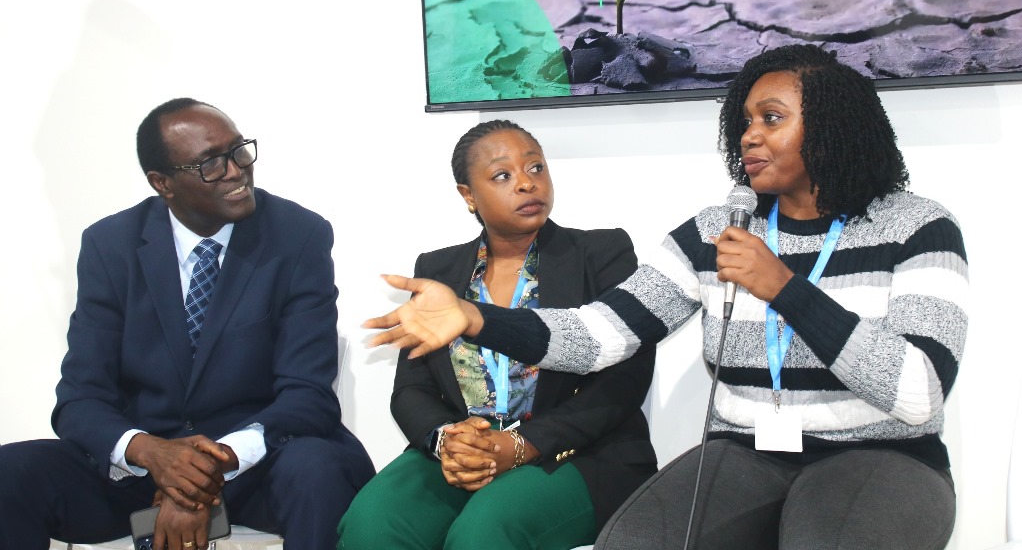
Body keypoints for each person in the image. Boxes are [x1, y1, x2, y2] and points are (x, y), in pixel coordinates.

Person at [367, 45, 969, 550]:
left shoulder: (917, 228)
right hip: (747, 454)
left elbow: (917, 392)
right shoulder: (716, 230)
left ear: (833, 125)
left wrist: (784, 289)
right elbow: (599, 334)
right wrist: (477, 317)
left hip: (883, 455)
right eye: (745, 122)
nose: (749, 136)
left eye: (771, 119)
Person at [0, 98, 375, 550]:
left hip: (257, 464)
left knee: (319, 469)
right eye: (210, 164)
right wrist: (152, 454)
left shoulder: (298, 235)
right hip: (140, 473)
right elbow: (80, 399)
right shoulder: (110, 245)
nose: (236, 170)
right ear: (163, 183)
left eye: (239, 151)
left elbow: (307, 394)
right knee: (11, 474)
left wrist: (208, 468)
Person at [337, 119, 657, 550]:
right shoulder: (439, 271)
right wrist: (446, 440)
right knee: (371, 525)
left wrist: (521, 445)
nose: (526, 184)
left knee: (483, 533)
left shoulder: (601, 253)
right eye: (503, 175)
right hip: (464, 450)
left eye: (536, 168)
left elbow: (624, 383)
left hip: (576, 453)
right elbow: (411, 391)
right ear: (468, 196)